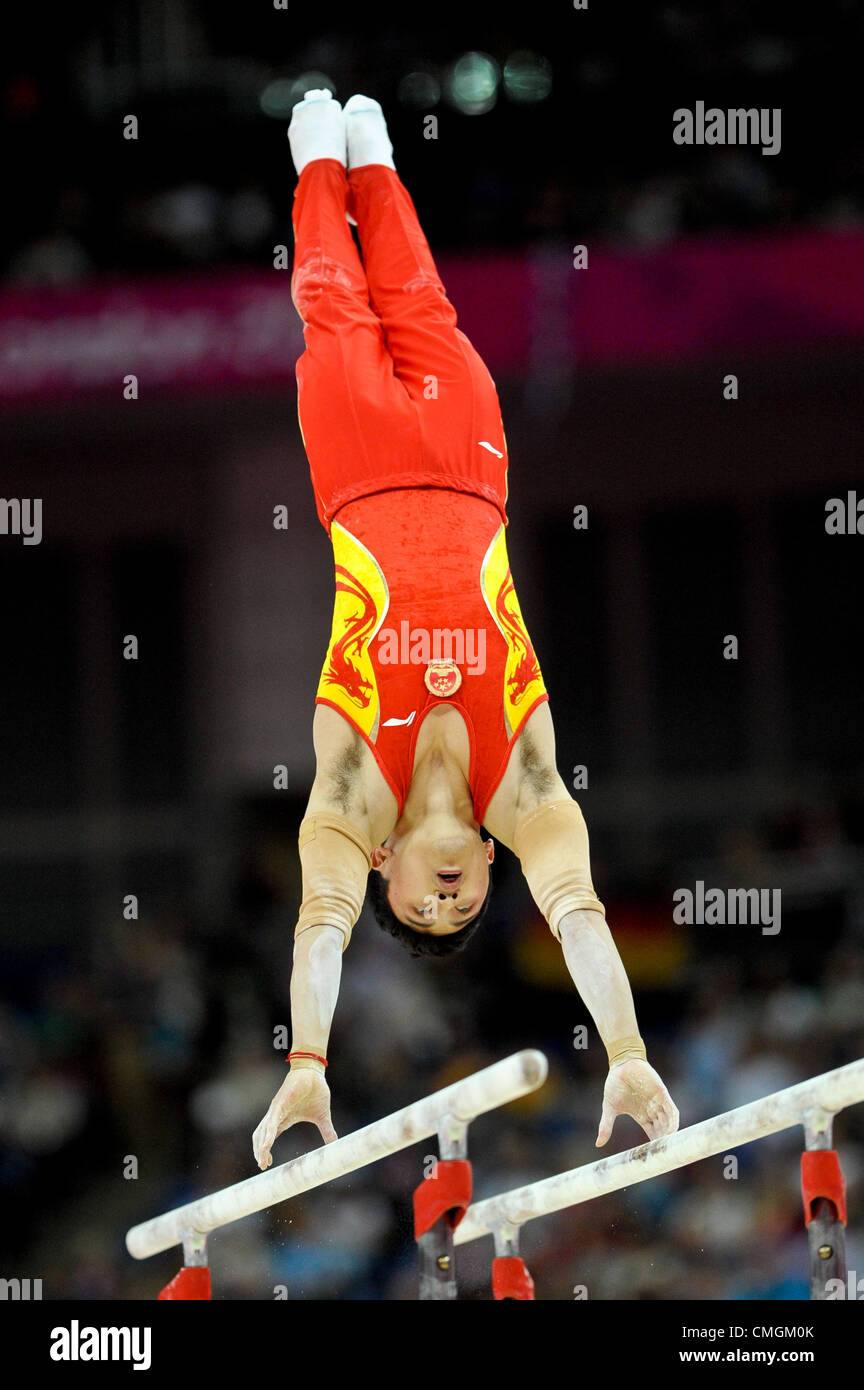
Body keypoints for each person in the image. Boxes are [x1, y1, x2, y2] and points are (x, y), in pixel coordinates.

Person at [253, 91, 678, 1170]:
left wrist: (308, 1061)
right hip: (469, 473)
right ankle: (381, 160)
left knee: (335, 306)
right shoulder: (525, 793)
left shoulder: (352, 795)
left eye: (423, 912)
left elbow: (319, 928)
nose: (452, 902)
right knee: (420, 301)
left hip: (358, 478)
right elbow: (577, 909)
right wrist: (624, 1049)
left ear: (383, 864)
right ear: (493, 861)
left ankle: (313, 160)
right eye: (470, 907)